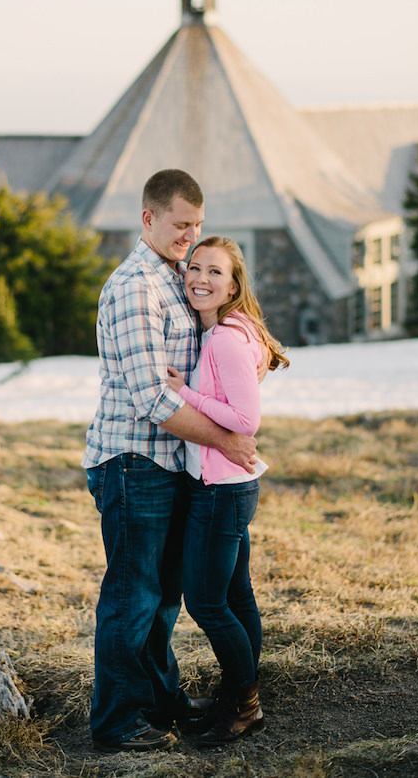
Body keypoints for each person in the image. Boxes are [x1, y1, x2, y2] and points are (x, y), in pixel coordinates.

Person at [82, 169, 259, 753]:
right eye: (180, 224)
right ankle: (116, 721)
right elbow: (151, 399)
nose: (190, 235)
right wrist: (226, 439)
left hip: (170, 464)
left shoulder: (175, 278)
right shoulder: (135, 285)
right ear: (149, 218)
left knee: (161, 599)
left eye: (197, 225)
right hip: (134, 461)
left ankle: (163, 702)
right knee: (133, 597)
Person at [165, 236, 288, 745]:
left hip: (222, 490)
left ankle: (246, 704)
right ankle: (241, 690)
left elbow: (244, 420)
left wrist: (183, 392)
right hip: (230, 487)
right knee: (236, 595)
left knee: (208, 603)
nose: (201, 278)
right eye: (195, 267)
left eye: (215, 272)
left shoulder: (224, 338)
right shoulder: (230, 329)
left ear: (233, 285)